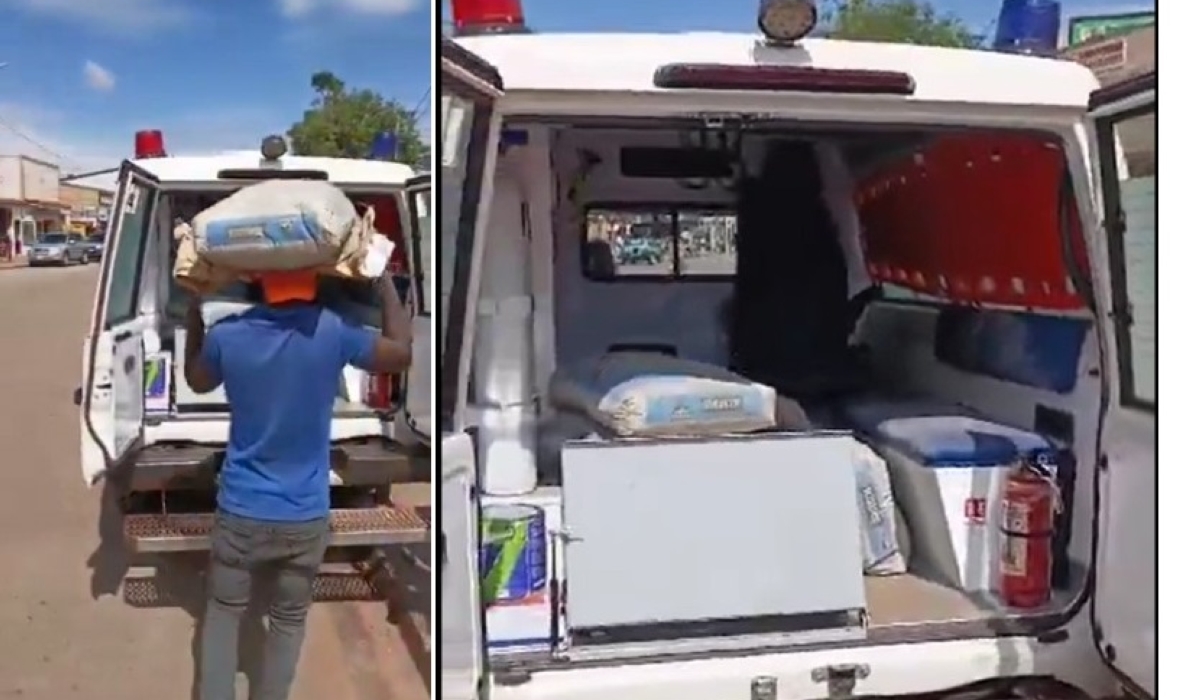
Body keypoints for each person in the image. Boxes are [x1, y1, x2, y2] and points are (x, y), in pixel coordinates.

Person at [184, 269, 413, 700]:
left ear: (257, 276)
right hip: (304, 513)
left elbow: (197, 380)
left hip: (241, 508)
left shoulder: (228, 335)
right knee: (288, 620)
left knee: (223, 613)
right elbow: (400, 354)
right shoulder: (330, 331)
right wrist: (383, 286)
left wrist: (194, 310)